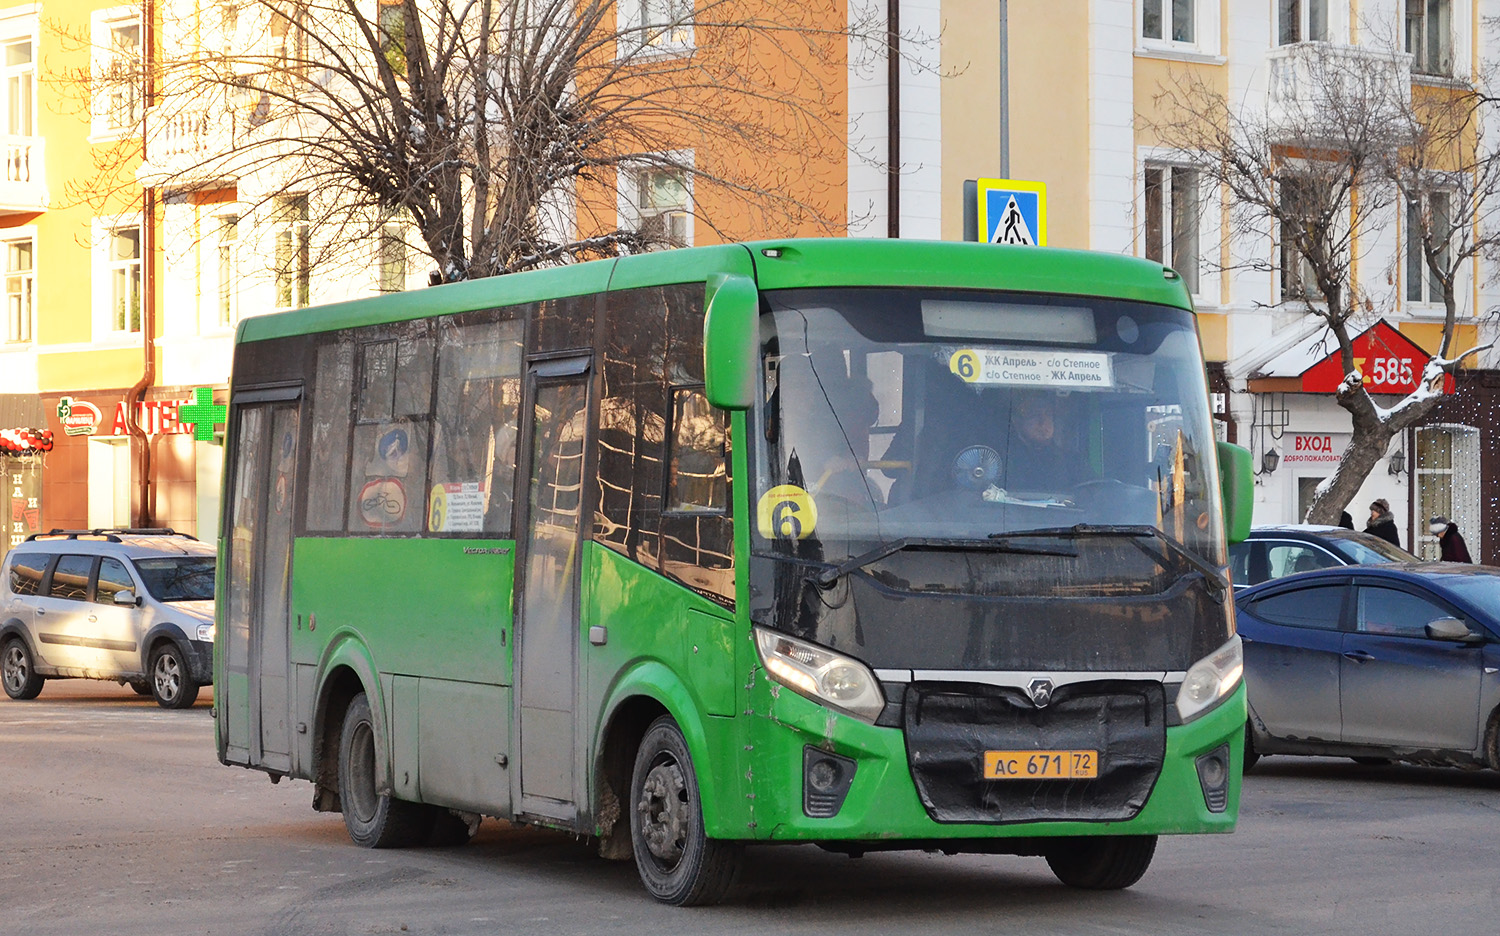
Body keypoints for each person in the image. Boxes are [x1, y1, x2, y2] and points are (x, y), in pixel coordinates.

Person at [1003, 392, 1081, 492]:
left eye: (1048, 415)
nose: (1043, 422)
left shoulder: (1072, 462)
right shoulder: (1005, 460)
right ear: (1017, 422)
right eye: (1034, 415)